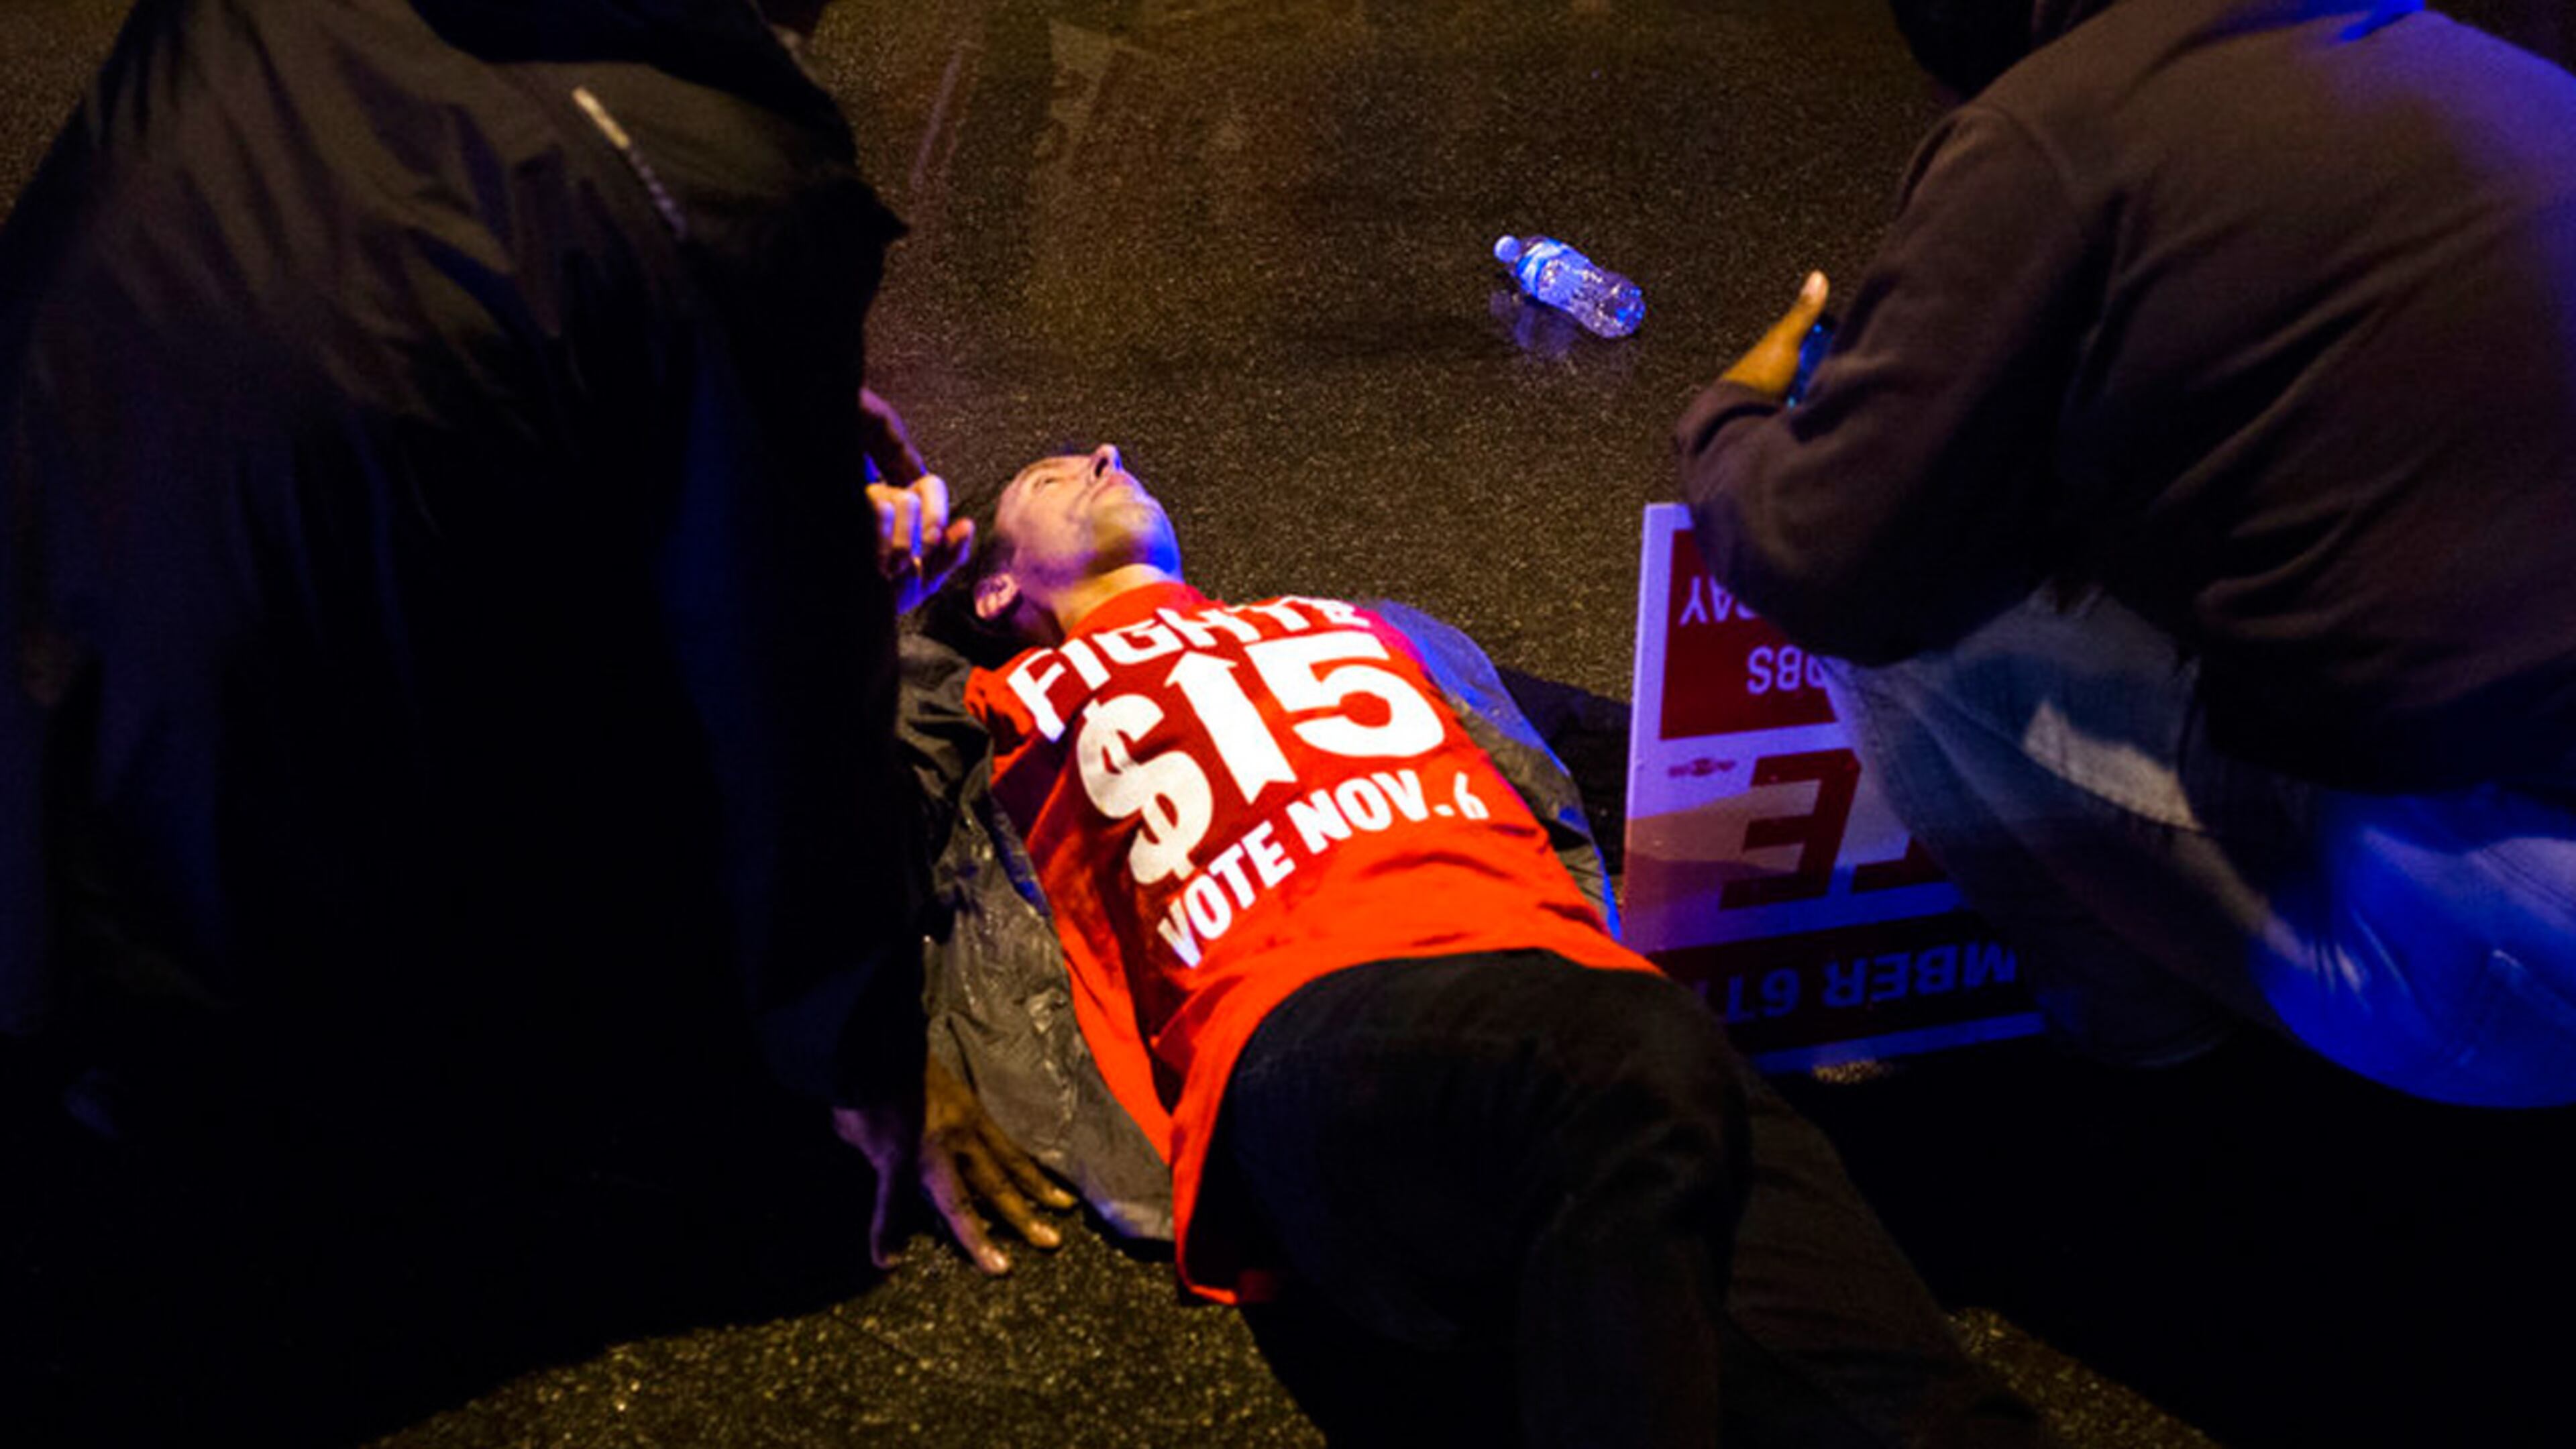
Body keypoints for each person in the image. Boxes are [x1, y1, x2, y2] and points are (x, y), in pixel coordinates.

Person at [0, 0, 1057, 1438]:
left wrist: (713, 379)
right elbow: (780, 713)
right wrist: (865, 1051)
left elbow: (355, 301)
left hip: (46, 689)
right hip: (193, 974)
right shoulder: (722, 174)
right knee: (755, 1128)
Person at [958, 443, 2050, 1447]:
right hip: (1313, 1021)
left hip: (1581, 1000)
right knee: (1622, 1058)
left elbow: (1623, 757)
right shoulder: (1002, 705)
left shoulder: (1353, 623)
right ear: (997, 586)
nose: (1105, 457)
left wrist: (1940, 810)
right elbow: (827, 813)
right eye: (1054, 473)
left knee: (1926, 1400)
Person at [1677, 0, 2576, 1106]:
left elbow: (1823, 556)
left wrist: (1730, 421)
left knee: (1912, 612)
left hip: (2518, 957)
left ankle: (2136, 1052)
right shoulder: (2453, 66)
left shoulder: (2068, 117)